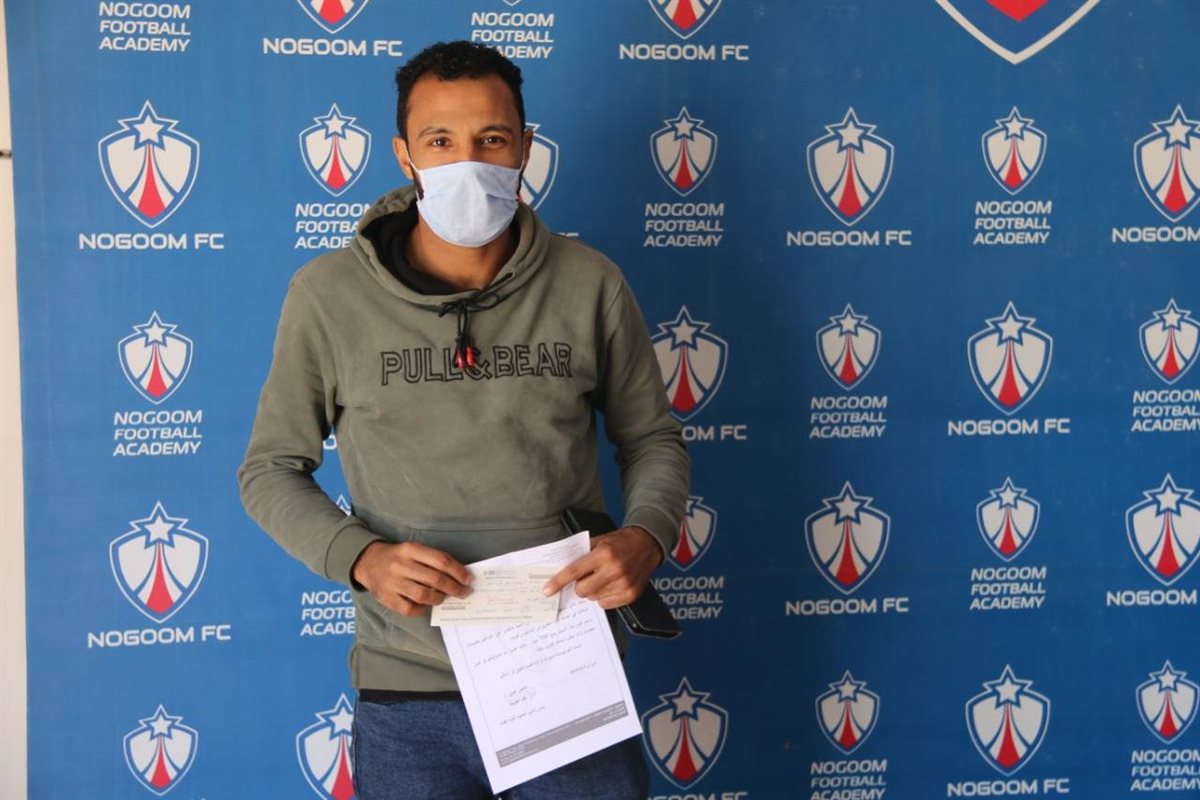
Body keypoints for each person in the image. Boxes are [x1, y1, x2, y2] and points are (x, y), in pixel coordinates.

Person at [237, 40, 689, 799]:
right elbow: (269, 470)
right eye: (440, 141)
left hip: (564, 670)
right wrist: (361, 558)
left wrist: (646, 536)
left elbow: (652, 441)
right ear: (404, 155)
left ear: (526, 148)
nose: (467, 162)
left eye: (492, 139)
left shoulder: (589, 283)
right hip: (406, 684)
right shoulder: (327, 296)